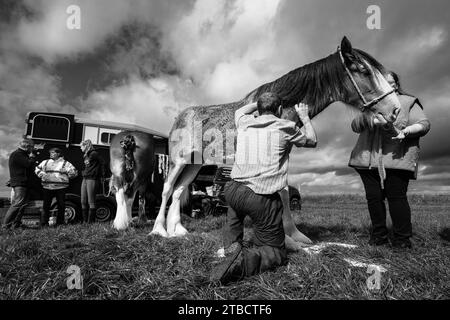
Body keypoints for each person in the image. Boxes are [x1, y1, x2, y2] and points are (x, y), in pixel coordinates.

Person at [210, 92, 317, 284]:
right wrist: (305, 118)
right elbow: (312, 140)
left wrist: (257, 104)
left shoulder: (244, 122)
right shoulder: (286, 126)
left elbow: (241, 110)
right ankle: (241, 263)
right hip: (260, 196)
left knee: (234, 226)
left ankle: (231, 251)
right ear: (279, 110)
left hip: (233, 190)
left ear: (258, 110)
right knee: (275, 251)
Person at [349, 71, 431, 249]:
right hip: (367, 162)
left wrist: (406, 131)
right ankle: (379, 237)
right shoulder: (368, 104)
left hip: (396, 160)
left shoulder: (408, 101)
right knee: (374, 199)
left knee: (396, 198)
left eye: (391, 82)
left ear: (396, 84)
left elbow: (424, 124)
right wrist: (369, 118)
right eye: (382, 82)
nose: (387, 85)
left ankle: (402, 240)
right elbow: (355, 126)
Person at [35, 147, 77, 227]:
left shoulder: (65, 163)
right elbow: (37, 169)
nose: (51, 154)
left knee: (61, 206)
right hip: (47, 187)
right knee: (46, 206)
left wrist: (67, 171)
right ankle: (44, 223)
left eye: (53, 152)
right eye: (50, 153)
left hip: (61, 188)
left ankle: (60, 223)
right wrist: (41, 174)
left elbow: (74, 173)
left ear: (58, 154)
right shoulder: (45, 162)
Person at [2, 139, 36, 229]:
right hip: (20, 183)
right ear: (26, 146)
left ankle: (15, 225)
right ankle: (5, 226)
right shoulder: (17, 154)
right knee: (17, 204)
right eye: (31, 147)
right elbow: (28, 164)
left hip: (24, 183)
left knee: (22, 205)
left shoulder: (22, 154)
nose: (32, 149)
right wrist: (32, 157)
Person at [80, 139, 105, 223]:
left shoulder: (94, 153)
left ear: (85, 146)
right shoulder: (86, 154)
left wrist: (102, 175)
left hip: (92, 179)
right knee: (83, 201)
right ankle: (84, 221)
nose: (80, 148)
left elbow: (103, 163)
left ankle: (90, 222)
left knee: (91, 201)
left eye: (81, 146)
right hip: (85, 178)